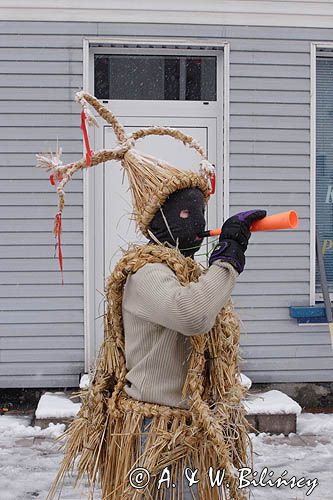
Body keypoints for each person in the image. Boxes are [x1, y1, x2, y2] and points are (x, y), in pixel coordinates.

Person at [40, 91, 265, 500]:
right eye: (184, 215)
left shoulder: (186, 270)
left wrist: (220, 260)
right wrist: (229, 256)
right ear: (157, 222)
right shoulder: (147, 273)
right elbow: (193, 313)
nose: (196, 223)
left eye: (200, 213)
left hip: (195, 428)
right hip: (157, 433)